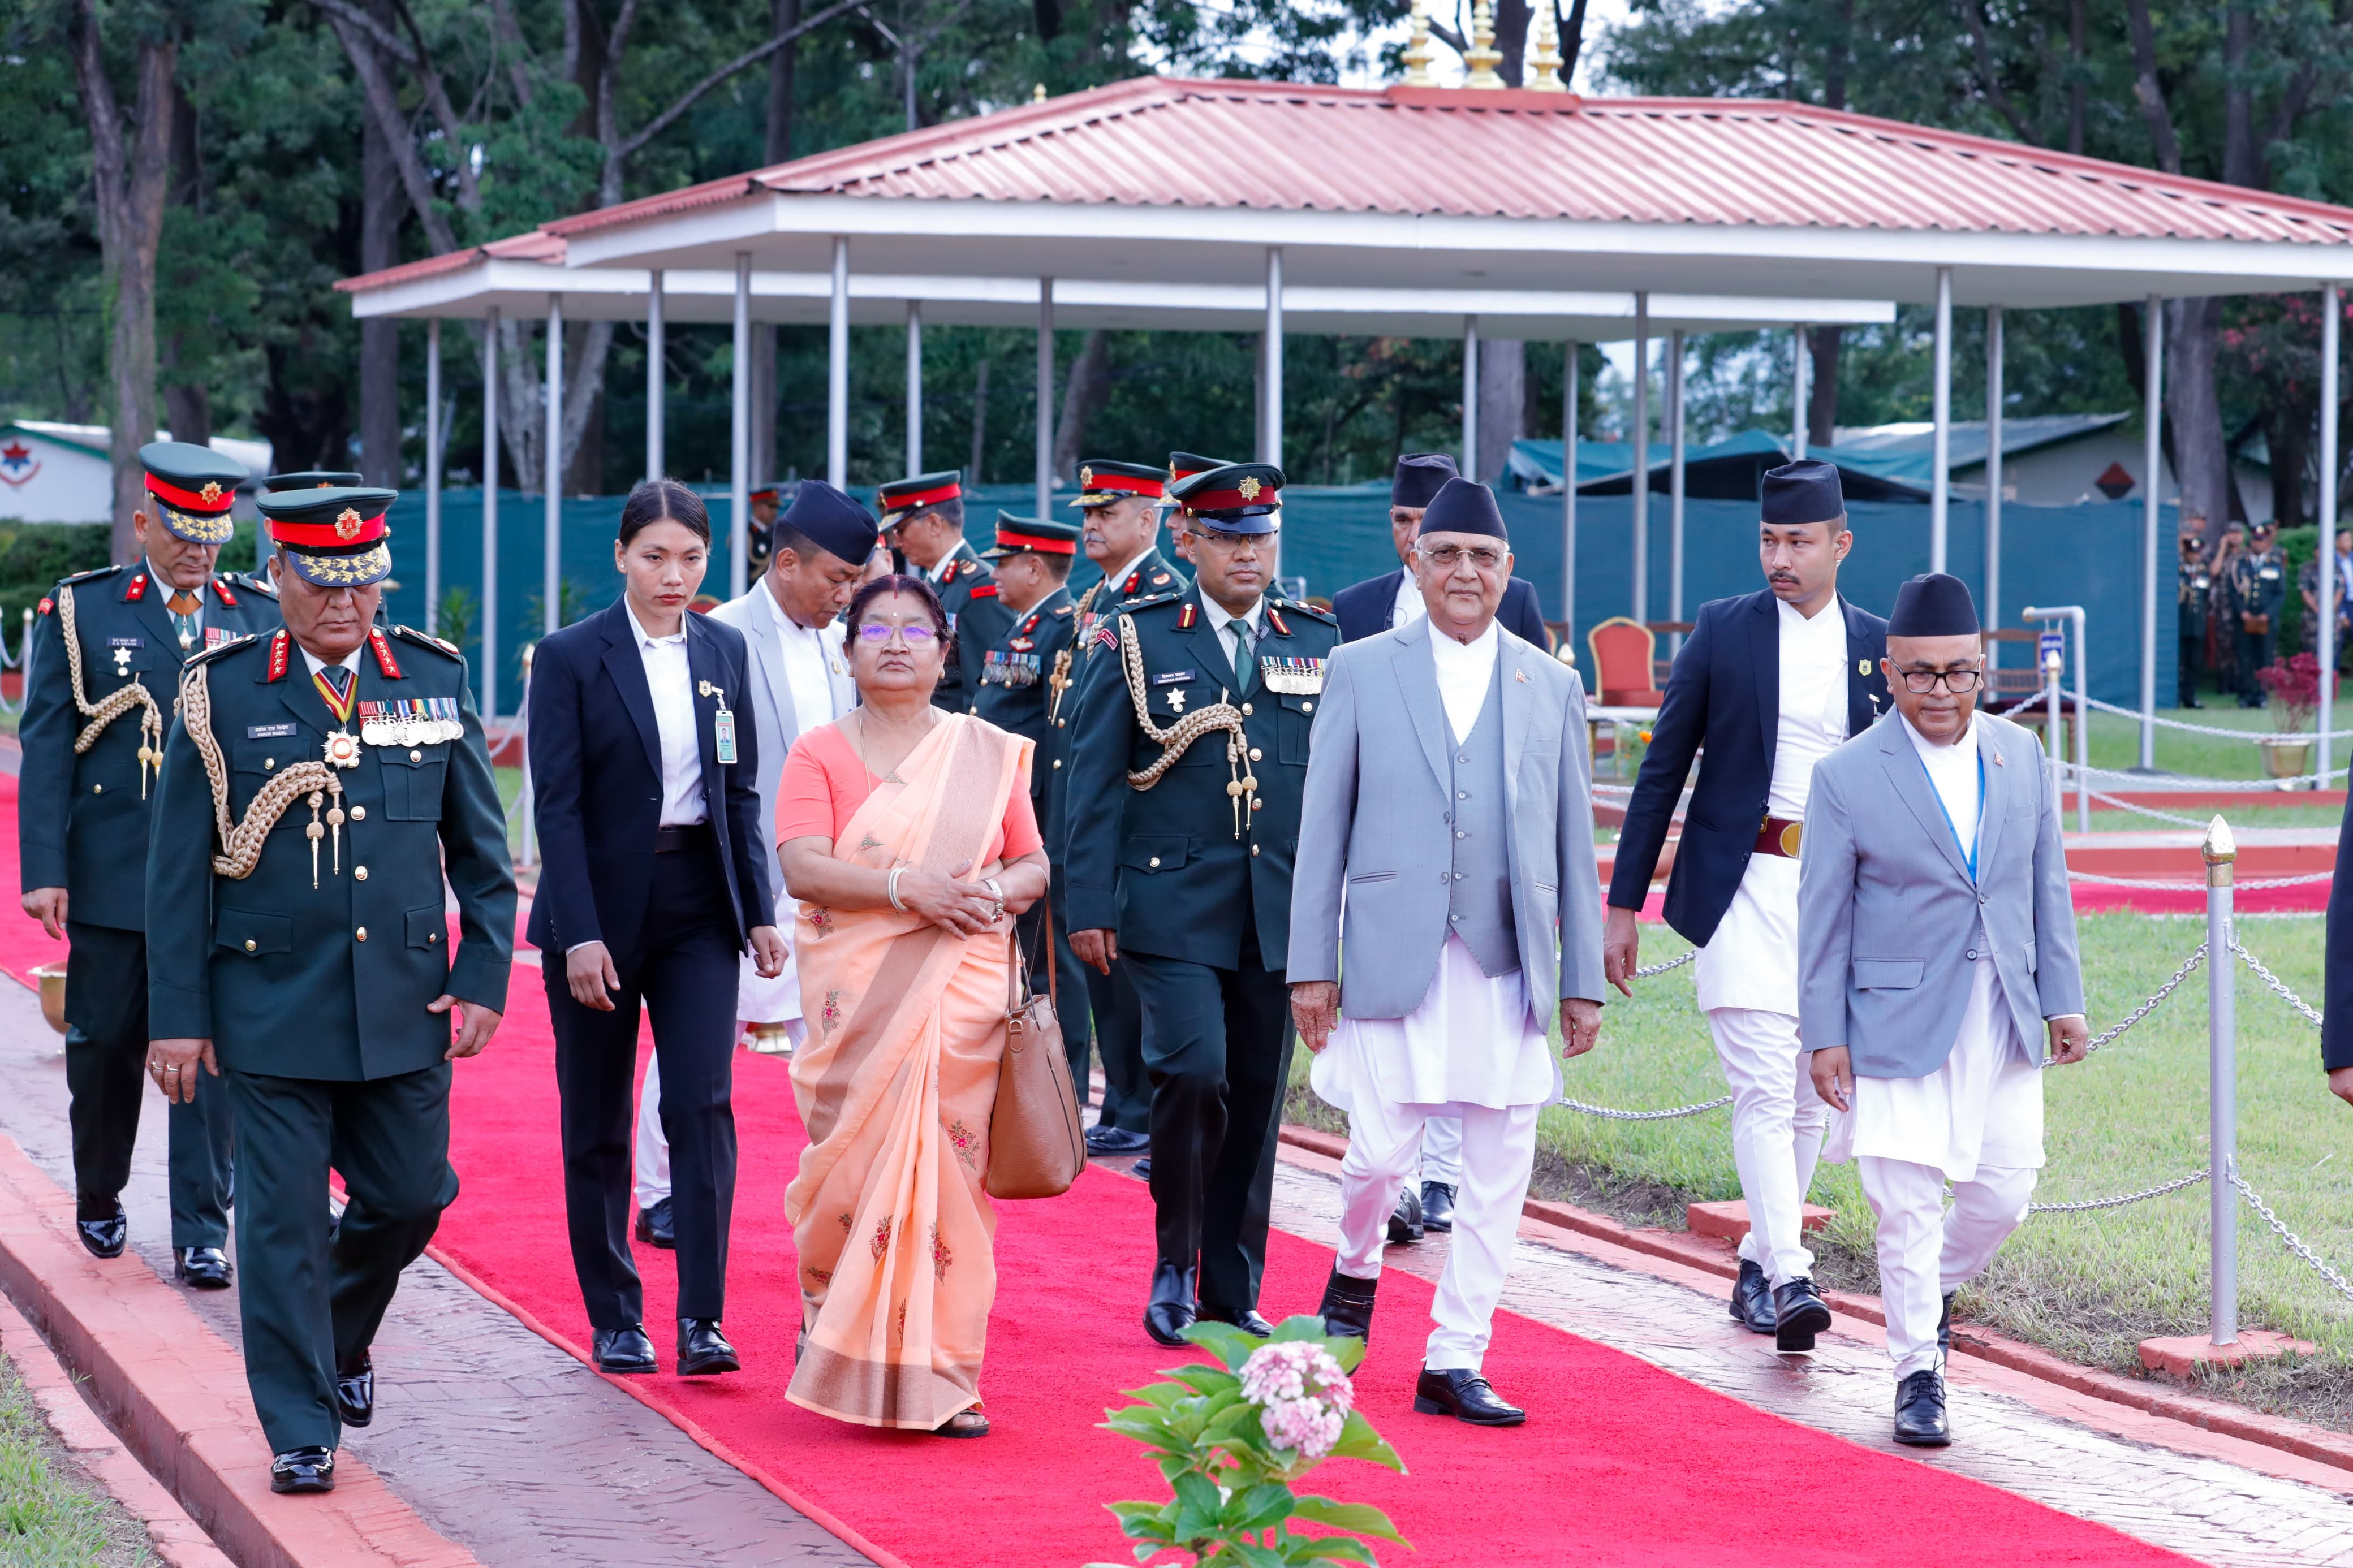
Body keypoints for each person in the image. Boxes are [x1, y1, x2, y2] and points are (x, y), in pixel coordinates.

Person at [144, 484, 512, 1494]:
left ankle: (340, 1336)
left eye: (364, 583)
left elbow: (484, 855)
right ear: (277, 577)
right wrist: (177, 1017)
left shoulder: (429, 677)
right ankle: (302, 1426)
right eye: (323, 583)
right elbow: (175, 874)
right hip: (267, 1003)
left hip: (403, 999)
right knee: (281, 1225)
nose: (346, 603)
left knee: (410, 1196)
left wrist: (484, 971)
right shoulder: (222, 691)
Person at [1291, 477, 1605, 1427]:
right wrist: (1313, 964)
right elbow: (1321, 828)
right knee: (1375, 1159)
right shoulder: (1359, 668)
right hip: (1393, 956)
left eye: (1482, 556)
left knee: (1499, 1164)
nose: (1465, 571)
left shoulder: (1550, 683)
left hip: (1508, 961)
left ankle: (1456, 1353)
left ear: (1508, 570)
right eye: (1446, 554)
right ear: (1416, 563)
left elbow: (1573, 839)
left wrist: (1583, 980)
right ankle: (1354, 1270)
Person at [1602, 459, 1890, 1350]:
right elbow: (1661, 771)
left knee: (1810, 1094)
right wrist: (1623, 903)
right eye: (1769, 539)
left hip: (1840, 894)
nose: (1780, 557)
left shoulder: (1878, 646)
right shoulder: (1724, 631)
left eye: (1799, 541)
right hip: (1743, 882)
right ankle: (1793, 1273)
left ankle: (1760, 1266)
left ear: (1841, 545)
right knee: (1764, 1083)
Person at [1800, 572, 2087, 1448]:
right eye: (1920, 673)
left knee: (2006, 1192)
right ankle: (1917, 1369)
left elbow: (2046, 882)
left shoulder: (2020, 754)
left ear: (1981, 669)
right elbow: (1823, 918)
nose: (1940, 691)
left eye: (1958, 672)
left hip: (2003, 1011)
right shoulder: (1847, 775)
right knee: (1905, 1204)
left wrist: (2064, 998)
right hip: (1893, 1018)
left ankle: (1929, 1290)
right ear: (1889, 671)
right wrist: (1824, 1035)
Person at [1065, 462, 1341, 1346]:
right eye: (1225, 538)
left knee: (1255, 1098)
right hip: (1171, 904)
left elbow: (1342, 785)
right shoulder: (1138, 636)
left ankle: (1230, 1286)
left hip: (1277, 910)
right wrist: (1086, 903)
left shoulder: (1315, 639)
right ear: (1187, 541)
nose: (1246, 554)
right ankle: (1175, 1260)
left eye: (1260, 538)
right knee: (1192, 1073)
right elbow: (1092, 779)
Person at [527, 480, 788, 1380]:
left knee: (701, 1105)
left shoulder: (723, 649)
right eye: (655, 557)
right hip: (597, 910)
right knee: (597, 1116)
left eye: (691, 558)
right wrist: (580, 932)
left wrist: (759, 909)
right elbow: (556, 807)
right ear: (622, 557)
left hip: (697, 907)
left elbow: (738, 790)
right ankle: (615, 1316)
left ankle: (702, 1318)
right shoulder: (570, 656)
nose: (674, 575)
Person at [777, 575, 1049, 1438]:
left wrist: (984, 893)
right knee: (852, 1169)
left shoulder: (984, 751)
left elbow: (1032, 864)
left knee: (950, 1183)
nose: (895, 643)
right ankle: (831, 1323)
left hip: (962, 1001)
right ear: (848, 649)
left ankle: (944, 1373)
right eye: (875, 629)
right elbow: (803, 867)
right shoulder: (819, 752)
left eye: (914, 630)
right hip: (857, 1007)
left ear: (944, 650)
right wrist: (906, 889)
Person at [20, 442, 280, 1285]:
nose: (200, 549)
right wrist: (45, 867)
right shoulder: (85, 610)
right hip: (117, 872)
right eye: (183, 531)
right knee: (105, 1044)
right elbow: (48, 742)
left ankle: (203, 1227)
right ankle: (100, 1188)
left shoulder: (254, 613)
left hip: (223, 875)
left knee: (211, 1050)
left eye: (214, 533)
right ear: (143, 524)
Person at [630, 482, 870, 1250]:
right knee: (694, 1050)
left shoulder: (840, 644)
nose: (846, 594)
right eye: (837, 578)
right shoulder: (719, 634)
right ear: (788, 563)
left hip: (826, 882)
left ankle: (846, 1188)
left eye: (856, 581)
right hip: (737, 882)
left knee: (836, 1046)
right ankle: (661, 1192)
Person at [1049, 459, 1181, 1160]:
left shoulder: (1161, 596)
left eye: (1108, 512)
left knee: (1132, 976)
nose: (1092, 525)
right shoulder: (1098, 598)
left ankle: (1145, 1107)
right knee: (1103, 971)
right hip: (1088, 817)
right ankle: (1125, 1103)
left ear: (1149, 520)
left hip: (1135, 819)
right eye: (1088, 514)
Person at [973, 512, 1089, 1100]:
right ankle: (1038, 1086)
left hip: (1038, 821)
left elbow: (1058, 739)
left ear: (1035, 567)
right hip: (1007, 817)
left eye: (1004, 563)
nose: (994, 573)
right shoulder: (1022, 626)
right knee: (1026, 960)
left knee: (1053, 965)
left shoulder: (1061, 629)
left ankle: (1062, 1092)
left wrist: (1045, 828)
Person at [1330, 453, 1549, 650]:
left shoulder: (1516, 600)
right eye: (1403, 520)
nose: (1414, 537)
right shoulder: (1353, 606)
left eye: (1427, 522)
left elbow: (1536, 675)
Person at [877, 471, 1011, 714]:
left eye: (901, 530)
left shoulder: (980, 589)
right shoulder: (935, 584)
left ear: (934, 524)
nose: (897, 543)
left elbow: (984, 693)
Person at [2230, 520, 2286, 707]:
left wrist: (2268, 614)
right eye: (2256, 540)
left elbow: (2280, 594)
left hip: (2266, 620)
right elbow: (2233, 591)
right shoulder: (2240, 564)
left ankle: (2262, 695)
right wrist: (2242, 612)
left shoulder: (2275, 565)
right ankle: (2245, 695)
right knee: (2245, 657)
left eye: (2262, 540)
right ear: (2251, 542)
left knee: (2265, 657)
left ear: (2267, 543)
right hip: (2245, 620)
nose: (2259, 544)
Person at [2179, 526, 2212, 709]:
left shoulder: (2203, 572)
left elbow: (2205, 597)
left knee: (2194, 663)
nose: (2195, 557)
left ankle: (2191, 696)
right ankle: (2177, 696)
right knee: (2180, 662)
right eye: (2192, 553)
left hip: (2197, 625)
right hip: (2181, 624)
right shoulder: (2178, 571)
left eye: (2197, 554)